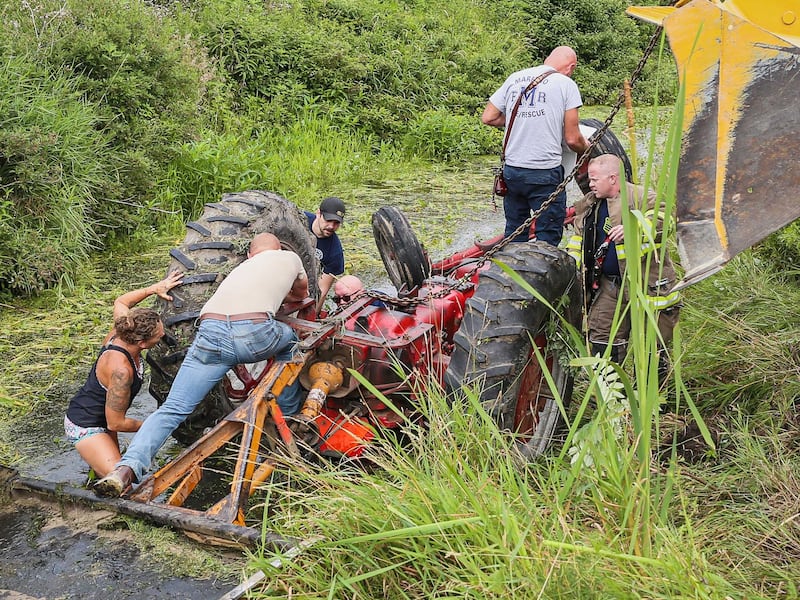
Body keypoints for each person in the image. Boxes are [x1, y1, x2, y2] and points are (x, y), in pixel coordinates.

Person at [93, 233, 309, 497]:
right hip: (255, 334)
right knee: (292, 343)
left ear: (251, 255)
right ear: (278, 248)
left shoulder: (240, 268)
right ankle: (287, 415)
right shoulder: (290, 257)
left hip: (210, 334)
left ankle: (125, 469)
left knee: (173, 408)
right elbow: (301, 294)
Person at [566, 154, 681, 374]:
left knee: (653, 348)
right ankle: (611, 399)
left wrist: (635, 227)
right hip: (609, 286)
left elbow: (666, 220)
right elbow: (580, 240)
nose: (589, 184)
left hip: (646, 285)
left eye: (594, 179)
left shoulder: (640, 196)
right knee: (601, 339)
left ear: (612, 178)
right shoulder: (591, 206)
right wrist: (571, 264)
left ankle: (652, 402)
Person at [64, 271, 183, 479]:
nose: (163, 337)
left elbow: (121, 301)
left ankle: (96, 473)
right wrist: (152, 426)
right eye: (159, 336)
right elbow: (116, 424)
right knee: (119, 482)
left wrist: (156, 288)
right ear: (142, 344)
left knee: (112, 472)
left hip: (105, 416)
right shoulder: (121, 371)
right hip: (86, 424)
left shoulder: (125, 328)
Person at [482, 46, 589, 246]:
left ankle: (513, 273)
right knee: (547, 237)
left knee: (514, 233)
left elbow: (488, 117)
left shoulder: (515, 78)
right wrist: (587, 149)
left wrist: (525, 119)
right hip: (544, 173)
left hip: (512, 171)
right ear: (571, 67)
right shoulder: (566, 84)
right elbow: (573, 139)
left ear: (548, 58)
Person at [305, 197, 346, 314]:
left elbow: (321, 290)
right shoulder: (299, 220)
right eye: (328, 220)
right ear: (318, 213)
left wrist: (311, 319)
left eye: (336, 223)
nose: (331, 226)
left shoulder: (335, 253)